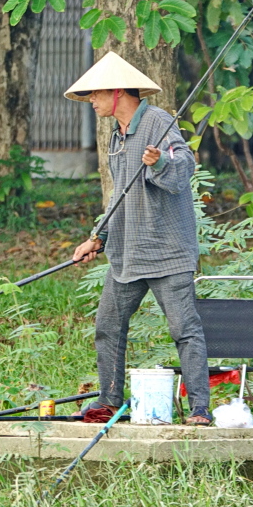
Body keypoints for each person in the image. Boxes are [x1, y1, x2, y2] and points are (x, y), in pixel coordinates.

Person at [65, 51, 211, 426]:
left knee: (184, 330)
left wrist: (160, 160)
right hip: (126, 253)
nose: (92, 102)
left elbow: (184, 167)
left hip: (167, 252)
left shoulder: (160, 122)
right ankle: (109, 402)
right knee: (108, 326)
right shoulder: (116, 135)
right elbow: (119, 196)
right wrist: (98, 236)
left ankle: (199, 410)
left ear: (117, 92)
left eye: (95, 94)